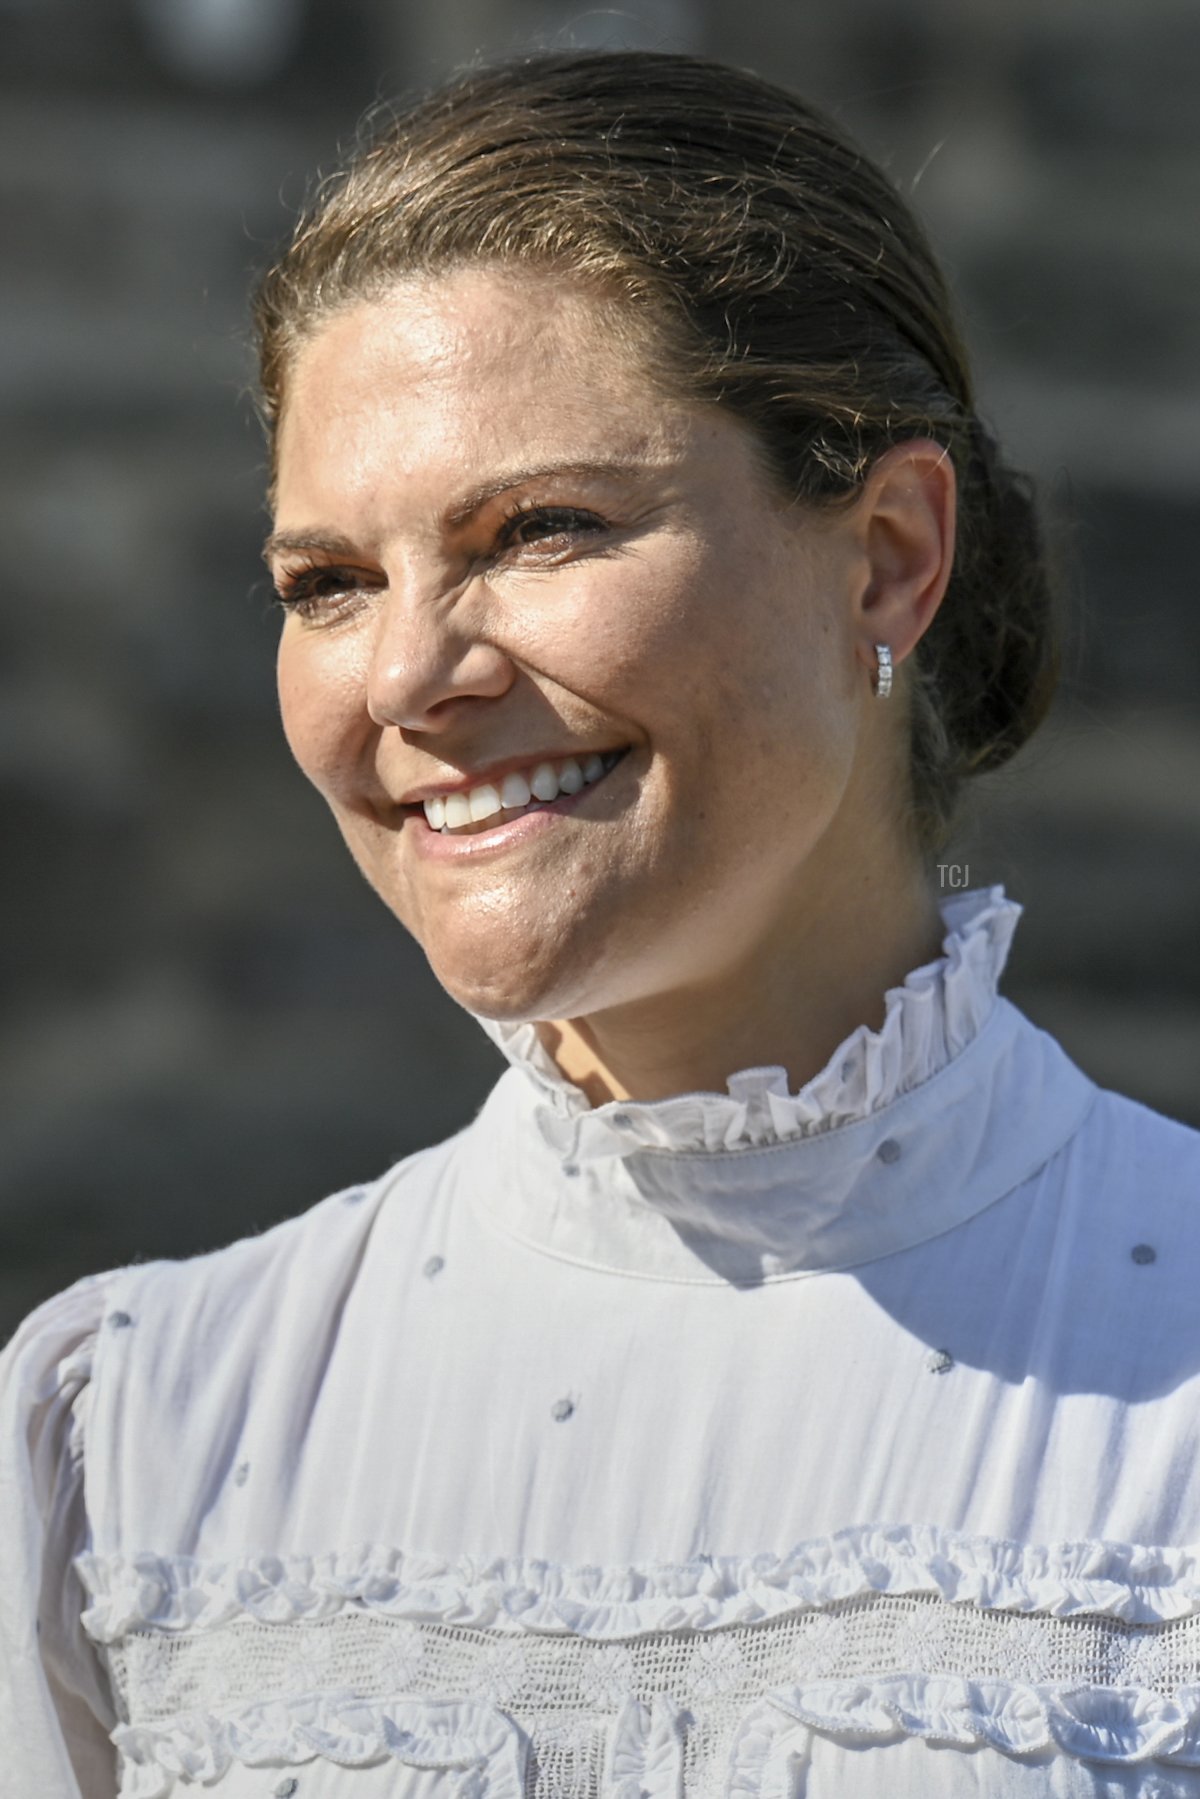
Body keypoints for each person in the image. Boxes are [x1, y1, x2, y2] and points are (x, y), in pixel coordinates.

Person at [3, 45, 1199, 1799]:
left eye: (541, 529)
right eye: (328, 583)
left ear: (885, 556)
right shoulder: (142, 1438)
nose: (407, 675)